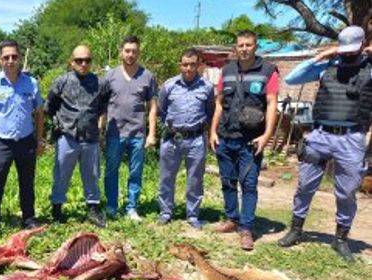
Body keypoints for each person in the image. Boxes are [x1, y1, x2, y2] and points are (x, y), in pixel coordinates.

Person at [277, 26, 371, 261]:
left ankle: (340, 238)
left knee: (346, 191)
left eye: (352, 49)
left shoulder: (370, 70)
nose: (347, 54)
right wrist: (319, 57)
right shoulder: (327, 67)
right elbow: (291, 77)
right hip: (319, 135)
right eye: (343, 49)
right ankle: (296, 229)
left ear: (362, 44)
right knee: (305, 185)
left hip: (351, 137)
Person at [209, 30, 279, 251]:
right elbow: (219, 104)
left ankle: (246, 227)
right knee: (227, 181)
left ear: (255, 46)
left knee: (248, 184)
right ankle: (232, 219)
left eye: (248, 45)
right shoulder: (227, 70)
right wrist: (212, 131)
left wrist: (267, 135)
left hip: (251, 140)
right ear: (236, 47)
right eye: (241, 45)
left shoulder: (267, 71)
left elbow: (271, 105)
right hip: (226, 137)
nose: (244, 49)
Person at [0, 40, 45, 241]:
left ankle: (29, 219)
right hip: (1, 142)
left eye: (14, 56)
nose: (10, 61)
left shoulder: (31, 84)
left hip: (25, 140)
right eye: (6, 57)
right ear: (0, 60)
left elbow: (40, 113)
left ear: (20, 58)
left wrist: (40, 140)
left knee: (27, 182)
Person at [46, 45, 110, 227]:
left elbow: (103, 107)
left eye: (87, 60)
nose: (83, 64)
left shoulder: (101, 83)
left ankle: (93, 208)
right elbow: (49, 106)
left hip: (90, 137)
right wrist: (59, 126)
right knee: (61, 175)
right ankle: (57, 209)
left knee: (92, 175)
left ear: (92, 62)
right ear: (71, 61)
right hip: (67, 136)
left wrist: (100, 126)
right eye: (79, 60)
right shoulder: (61, 82)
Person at [102, 36, 158, 221]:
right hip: (114, 133)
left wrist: (151, 133)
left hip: (137, 134)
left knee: (136, 171)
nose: (130, 54)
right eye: (127, 51)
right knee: (111, 170)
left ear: (138, 53)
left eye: (134, 51)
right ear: (121, 52)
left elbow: (153, 107)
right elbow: (102, 106)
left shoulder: (147, 76)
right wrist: (100, 128)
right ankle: (111, 206)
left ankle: (132, 207)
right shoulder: (110, 76)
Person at [158, 48, 215, 229]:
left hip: (196, 139)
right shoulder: (169, 85)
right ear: (180, 65)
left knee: (195, 179)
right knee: (166, 177)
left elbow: (210, 112)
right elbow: (161, 110)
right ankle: (166, 212)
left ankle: (192, 214)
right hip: (172, 138)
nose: (188, 68)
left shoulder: (207, 87)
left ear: (198, 65)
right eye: (185, 64)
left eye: (192, 65)